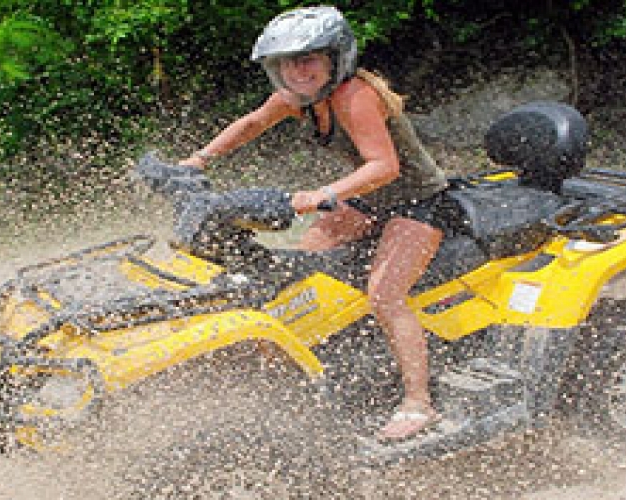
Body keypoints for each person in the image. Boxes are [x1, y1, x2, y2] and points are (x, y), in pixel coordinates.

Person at [180, 5, 452, 442]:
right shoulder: (299, 98)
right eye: (286, 63)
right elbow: (252, 123)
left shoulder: (354, 96)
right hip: (368, 199)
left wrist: (324, 194)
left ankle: (418, 403)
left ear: (334, 59)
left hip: (418, 202)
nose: (296, 71)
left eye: (306, 60)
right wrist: (198, 160)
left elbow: (385, 166)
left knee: (385, 295)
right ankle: (327, 356)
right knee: (303, 268)